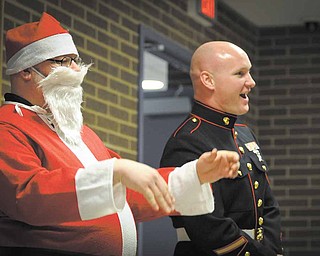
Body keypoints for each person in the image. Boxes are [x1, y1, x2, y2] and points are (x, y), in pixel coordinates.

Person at [0, 13, 241, 256]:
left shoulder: (81, 133)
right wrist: (115, 172)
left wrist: (192, 176)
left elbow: (127, 192)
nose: (76, 70)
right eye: (63, 61)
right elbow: (27, 195)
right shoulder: (8, 126)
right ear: (26, 72)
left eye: (76, 60)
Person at [160, 41, 283, 256]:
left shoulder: (244, 133)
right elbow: (208, 226)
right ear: (208, 80)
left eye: (250, 73)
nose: (251, 82)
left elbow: (269, 206)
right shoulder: (187, 141)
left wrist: (272, 250)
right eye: (240, 74)